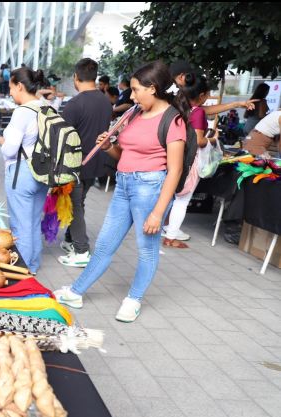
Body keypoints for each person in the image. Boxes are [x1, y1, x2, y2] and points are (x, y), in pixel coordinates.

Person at [54, 60, 187, 323]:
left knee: (146, 249)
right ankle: (76, 292)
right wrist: (108, 147)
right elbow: (124, 155)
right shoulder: (135, 113)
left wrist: (158, 212)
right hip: (124, 184)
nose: (132, 96)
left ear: (153, 88)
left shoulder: (173, 120)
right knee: (105, 244)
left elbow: (175, 170)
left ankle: (133, 299)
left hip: (150, 188)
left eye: (136, 90)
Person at [58, 58, 113, 268]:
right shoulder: (105, 101)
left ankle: (81, 250)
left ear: (76, 77)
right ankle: (70, 240)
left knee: (75, 206)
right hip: (96, 162)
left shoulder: (74, 104)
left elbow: (61, 138)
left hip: (76, 165)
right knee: (79, 202)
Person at [0, 66, 51, 274]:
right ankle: (33, 265)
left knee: (20, 225)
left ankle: (23, 269)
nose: (10, 92)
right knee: (33, 221)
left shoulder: (22, 112)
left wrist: (2, 143)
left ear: (20, 86)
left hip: (21, 173)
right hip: (43, 172)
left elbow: (10, 150)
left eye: (11, 87)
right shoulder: (46, 107)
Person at [162, 73, 219, 248]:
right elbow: (199, 141)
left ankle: (165, 228)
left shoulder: (177, 106)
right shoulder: (198, 112)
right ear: (201, 95)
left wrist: (237, 104)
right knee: (182, 199)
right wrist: (213, 139)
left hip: (172, 156)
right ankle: (171, 236)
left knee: (169, 195)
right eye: (208, 94)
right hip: (189, 160)